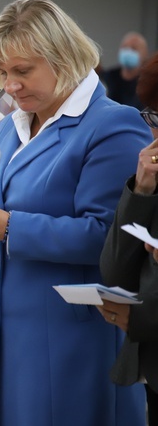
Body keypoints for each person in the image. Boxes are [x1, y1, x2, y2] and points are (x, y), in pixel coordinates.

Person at [0, 0, 150, 425]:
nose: (9, 85)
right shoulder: (12, 125)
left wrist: (8, 227)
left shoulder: (110, 125)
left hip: (69, 336)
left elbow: (112, 236)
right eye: (3, 73)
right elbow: (5, 215)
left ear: (62, 58)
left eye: (22, 71)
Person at [99, 52, 158, 426]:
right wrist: (141, 188)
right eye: (153, 118)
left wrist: (143, 317)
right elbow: (115, 271)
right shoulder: (152, 175)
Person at [102, 31, 149, 109]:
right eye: (124, 47)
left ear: (145, 54)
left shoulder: (148, 83)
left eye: (134, 48)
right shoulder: (107, 77)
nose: (128, 51)